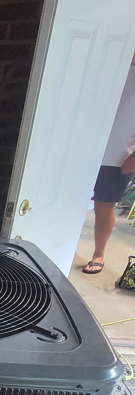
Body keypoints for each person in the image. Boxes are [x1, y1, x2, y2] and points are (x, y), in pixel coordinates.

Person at [83, 54, 135, 274]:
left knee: (103, 207)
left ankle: (98, 254)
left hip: (117, 154)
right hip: (83, 146)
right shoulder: (109, 52)